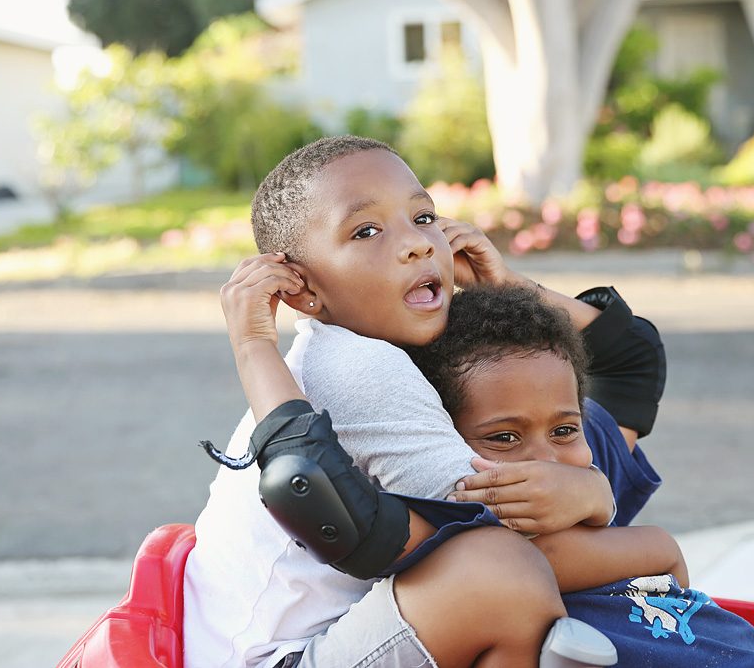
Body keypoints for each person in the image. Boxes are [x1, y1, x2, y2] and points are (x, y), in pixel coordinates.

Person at [185, 135, 663, 668]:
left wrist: (506, 289)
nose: (417, 244)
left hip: (357, 635)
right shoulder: (356, 364)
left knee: (532, 459)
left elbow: (630, 366)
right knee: (497, 574)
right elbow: (512, 533)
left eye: (423, 216)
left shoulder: (407, 344)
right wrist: (619, 515)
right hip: (284, 658)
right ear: (302, 291)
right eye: (367, 230)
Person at [408, 283, 754, 666]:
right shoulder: (469, 550)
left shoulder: (582, 458)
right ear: (439, 443)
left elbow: (634, 356)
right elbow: (659, 552)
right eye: (504, 438)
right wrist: (626, 519)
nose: (545, 461)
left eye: (565, 430)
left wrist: (503, 280)